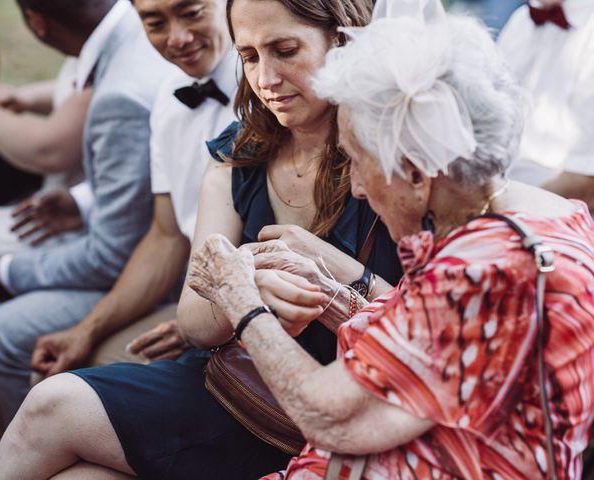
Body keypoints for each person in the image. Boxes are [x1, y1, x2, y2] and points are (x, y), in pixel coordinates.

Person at [0, 0, 407, 478]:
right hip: (235, 390)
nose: (265, 78)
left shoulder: (398, 157)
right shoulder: (238, 153)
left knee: (54, 407)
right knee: (61, 434)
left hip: (344, 416)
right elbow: (194, 321)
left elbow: (444, 325)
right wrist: (244, 288)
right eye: (249, 57)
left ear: (343, 41)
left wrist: (338, 270)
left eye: (285, 50)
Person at [184, 2, 593, 478]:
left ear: (417, 175)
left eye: (359, 161)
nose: (356, 186)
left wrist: (240, 298)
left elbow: (333, 418)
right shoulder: (537, 217)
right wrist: (337, 292)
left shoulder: (480, 269)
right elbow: (435, 345)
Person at [0, 0, 171, 473]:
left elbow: (114, 255)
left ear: (35, 22)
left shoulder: (123, 85)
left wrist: (7, 272)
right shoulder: (132, 31)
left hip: (156, 266)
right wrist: (85, 200)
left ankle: (9, 435)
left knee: (1, 331)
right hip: (113, 221)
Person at [27, 0, 238, 380]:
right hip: (190, 293)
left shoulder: (269, 87)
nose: (178, 39)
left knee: (78, 382)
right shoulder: (170, 95)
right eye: (155, 22)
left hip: (249, 307)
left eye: (192, 13)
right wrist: (85, 330)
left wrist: (205, 322)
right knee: (56, 366)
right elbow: (166, 235)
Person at [499, 0, 594, 210]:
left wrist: (501, 210)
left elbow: (587, 183)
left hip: (560, 219)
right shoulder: (521, 21)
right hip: (500, 195)